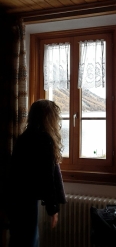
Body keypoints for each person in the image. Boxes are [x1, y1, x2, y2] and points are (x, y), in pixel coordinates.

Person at [8, 99, 67, 247]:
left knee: (20, 239)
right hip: (26, 199)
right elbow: (47, 177)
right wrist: (52, 209)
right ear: (48, 118)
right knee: (29, 240)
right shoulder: (44, 139)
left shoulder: (24, 138)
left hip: (15, 197)